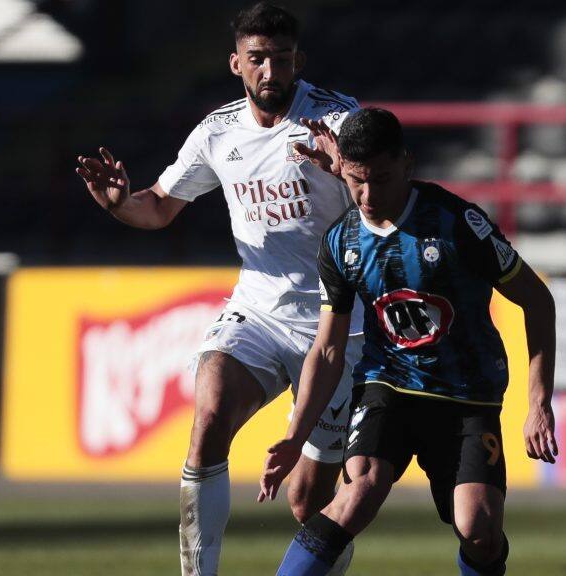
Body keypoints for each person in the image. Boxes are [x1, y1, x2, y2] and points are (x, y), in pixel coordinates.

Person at [76, 3, 363, 575]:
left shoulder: (338, 121)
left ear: (299, 61)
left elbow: (383, 203)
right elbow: (160, 206)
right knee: (208, 415)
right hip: (258, 312)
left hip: (338, 325)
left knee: (309, 502)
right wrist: (120, 204)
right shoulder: (217, 132)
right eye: (257, 59)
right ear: (236, 63)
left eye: (281, 59)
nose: (270, 71)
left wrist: (345, 170)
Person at [259, 108, 558, 576]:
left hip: (466, 394)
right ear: (343, 171)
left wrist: (538, 403)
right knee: (359, 491)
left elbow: (537, 300)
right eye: (357, 181)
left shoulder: (459, 224)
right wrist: (295, 437)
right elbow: (329, 349)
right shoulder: (340, 242)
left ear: (407, 164)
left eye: (381, 179)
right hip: (388, 384)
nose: (368, 195)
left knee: (479, 529)